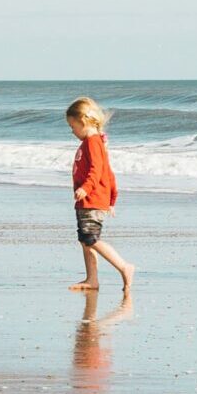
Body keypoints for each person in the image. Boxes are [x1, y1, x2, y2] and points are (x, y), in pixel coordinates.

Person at [66, 97, 135, 291]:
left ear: (83, 121)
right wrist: (112, 199)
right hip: (88, 200)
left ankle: (124, 266)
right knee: (85, 241)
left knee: (90, 239)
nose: (72, 131)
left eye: (73, 126)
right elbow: (109, 173)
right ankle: (92, 279)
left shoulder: (92, 142)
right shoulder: (95, 142)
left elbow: (97, 170)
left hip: (92, 199)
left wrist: (86, 188)